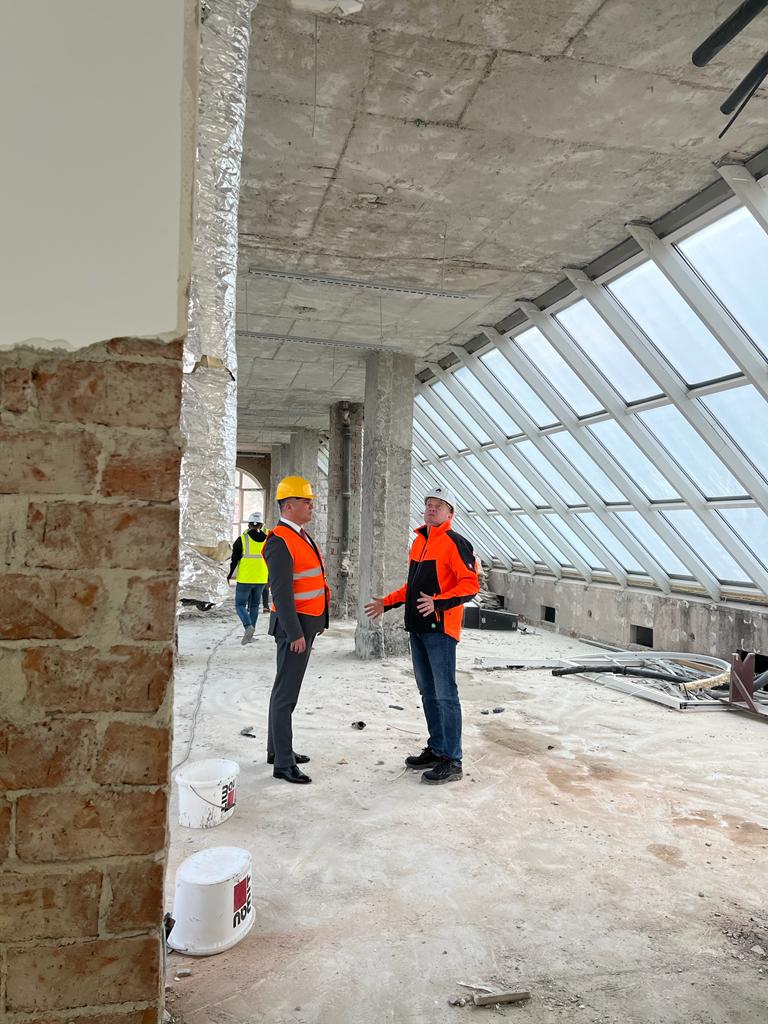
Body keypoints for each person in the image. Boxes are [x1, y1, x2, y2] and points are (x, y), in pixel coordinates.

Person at [364, 486, 478, 785]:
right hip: (417, 627)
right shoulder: (420, 542)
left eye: (439, 505)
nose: (431, 508)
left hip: (440, 630)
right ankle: (437, 749)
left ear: (450, 513)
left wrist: (438, 603)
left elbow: (470, 585)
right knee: (428, 692)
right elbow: (412, 588)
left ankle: (452, 760)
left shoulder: (455, 543)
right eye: (429, 503)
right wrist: (387, 602)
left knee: (445, 694)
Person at [263, 475, 330, 785]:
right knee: (286, 696)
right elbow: (281, 593)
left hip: (306, 622)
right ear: (289, 506)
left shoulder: (300, 535)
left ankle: (277, 751)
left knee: (282, 690)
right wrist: (295, 634)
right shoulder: (280, 540)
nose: (311, 506)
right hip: (295, 628)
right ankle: (283, 764)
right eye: (306, 501)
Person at [228, 511, 269, 645]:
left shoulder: (242, 539)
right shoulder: (268, 539)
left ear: (249, 524)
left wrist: (228, 575)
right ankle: (250, 636)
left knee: (240, 605)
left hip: (245, 579)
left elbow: (234, 560)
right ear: (261, 525)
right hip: (261, 579)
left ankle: (248, 627)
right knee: (255, 605)